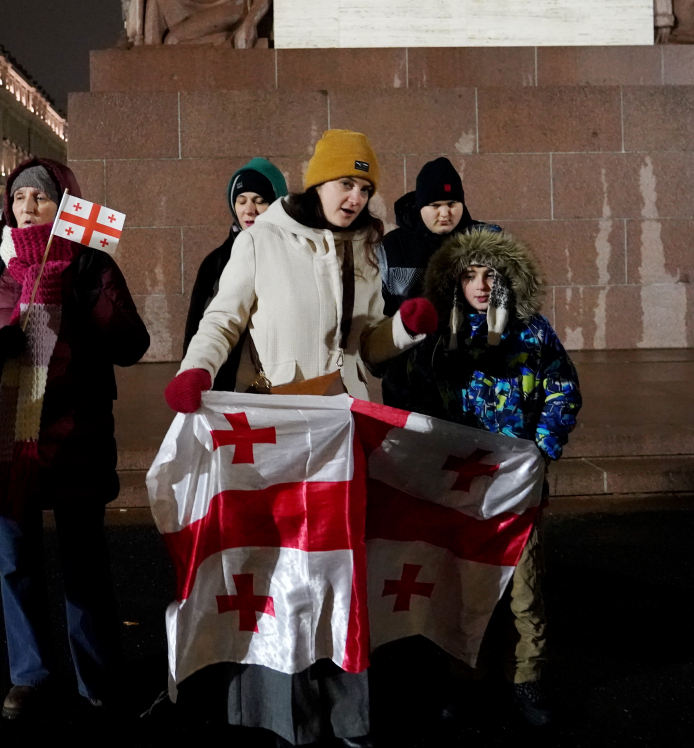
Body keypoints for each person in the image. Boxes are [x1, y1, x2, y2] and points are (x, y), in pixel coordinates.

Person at [163, 129, 439, 747]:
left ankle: (348, 714)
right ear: (318, 181)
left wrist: (403, 329)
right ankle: (284, 712)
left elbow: (367, 346)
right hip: (279, 427)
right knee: (282, 567)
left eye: (365, 187)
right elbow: (222, 318)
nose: (355, 197)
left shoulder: (366, 245)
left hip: (344, 429)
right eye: (346, 183)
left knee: (340, 568)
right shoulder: (262, 239)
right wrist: (196, 370)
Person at [0, 158, 151, 719]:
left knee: (85, 564)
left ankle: (98, 677)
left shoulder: (90, 263)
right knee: (16, 561)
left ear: (65, 206)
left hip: (76, 433)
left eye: (39, 197)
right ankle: (30, 676)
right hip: (5, 437)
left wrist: (90, 291)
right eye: (18, 198)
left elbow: (131, 343)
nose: (27, 207)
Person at [401, 226, 582, 727]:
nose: (481, 285)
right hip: (461, 485)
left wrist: (542, 447)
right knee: (465, 583)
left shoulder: (533, 331)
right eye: (470, 275)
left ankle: (526, 678)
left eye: (491, 274)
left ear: (508, 278)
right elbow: (417, 398)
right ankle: (466, 676)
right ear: (454, 281)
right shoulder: (441, 336)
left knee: (524, 588)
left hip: (517, 482)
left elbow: (561, 389)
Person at [376, 156, 499, 408]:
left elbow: (512, 302)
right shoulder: (392, 247)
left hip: (474, 382)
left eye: (452, 203)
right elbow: (378, 311)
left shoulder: (488, 240)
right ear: (420, 205)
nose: (445, 213)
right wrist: (386, 364)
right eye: (435, 205)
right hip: (408, 384)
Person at [183, 157, 288, 391]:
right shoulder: (216, 262)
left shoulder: (295, 255)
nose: (249, 210)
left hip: (285, 382)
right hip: (231, 382)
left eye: (260, 201)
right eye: (241, 201)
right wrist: (191, 374)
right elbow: (196, 328)